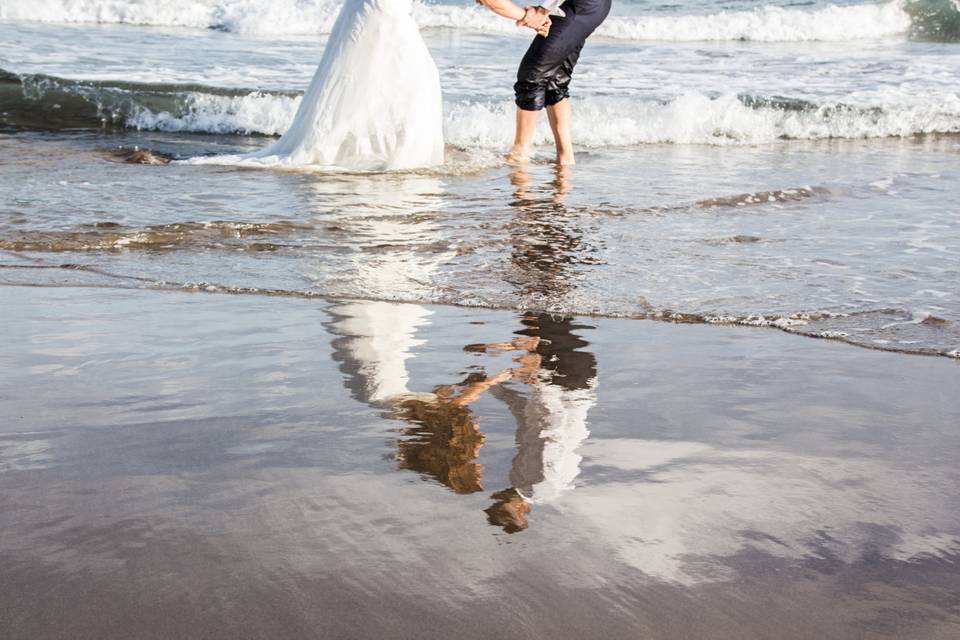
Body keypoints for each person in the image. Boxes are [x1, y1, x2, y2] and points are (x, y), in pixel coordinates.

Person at [189, 0, 445, 171]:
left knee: (398, 77)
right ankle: (395, 155)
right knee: (407, 78)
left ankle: (385, 150)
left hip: (381, 7)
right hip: (381, 8)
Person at [479, 0, 611, 165]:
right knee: (555, 81)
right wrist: (533, 16)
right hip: (581, 6)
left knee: (532, 76)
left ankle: (520, 153)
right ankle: (565, 158)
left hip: (581, 6)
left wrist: (541, 12)